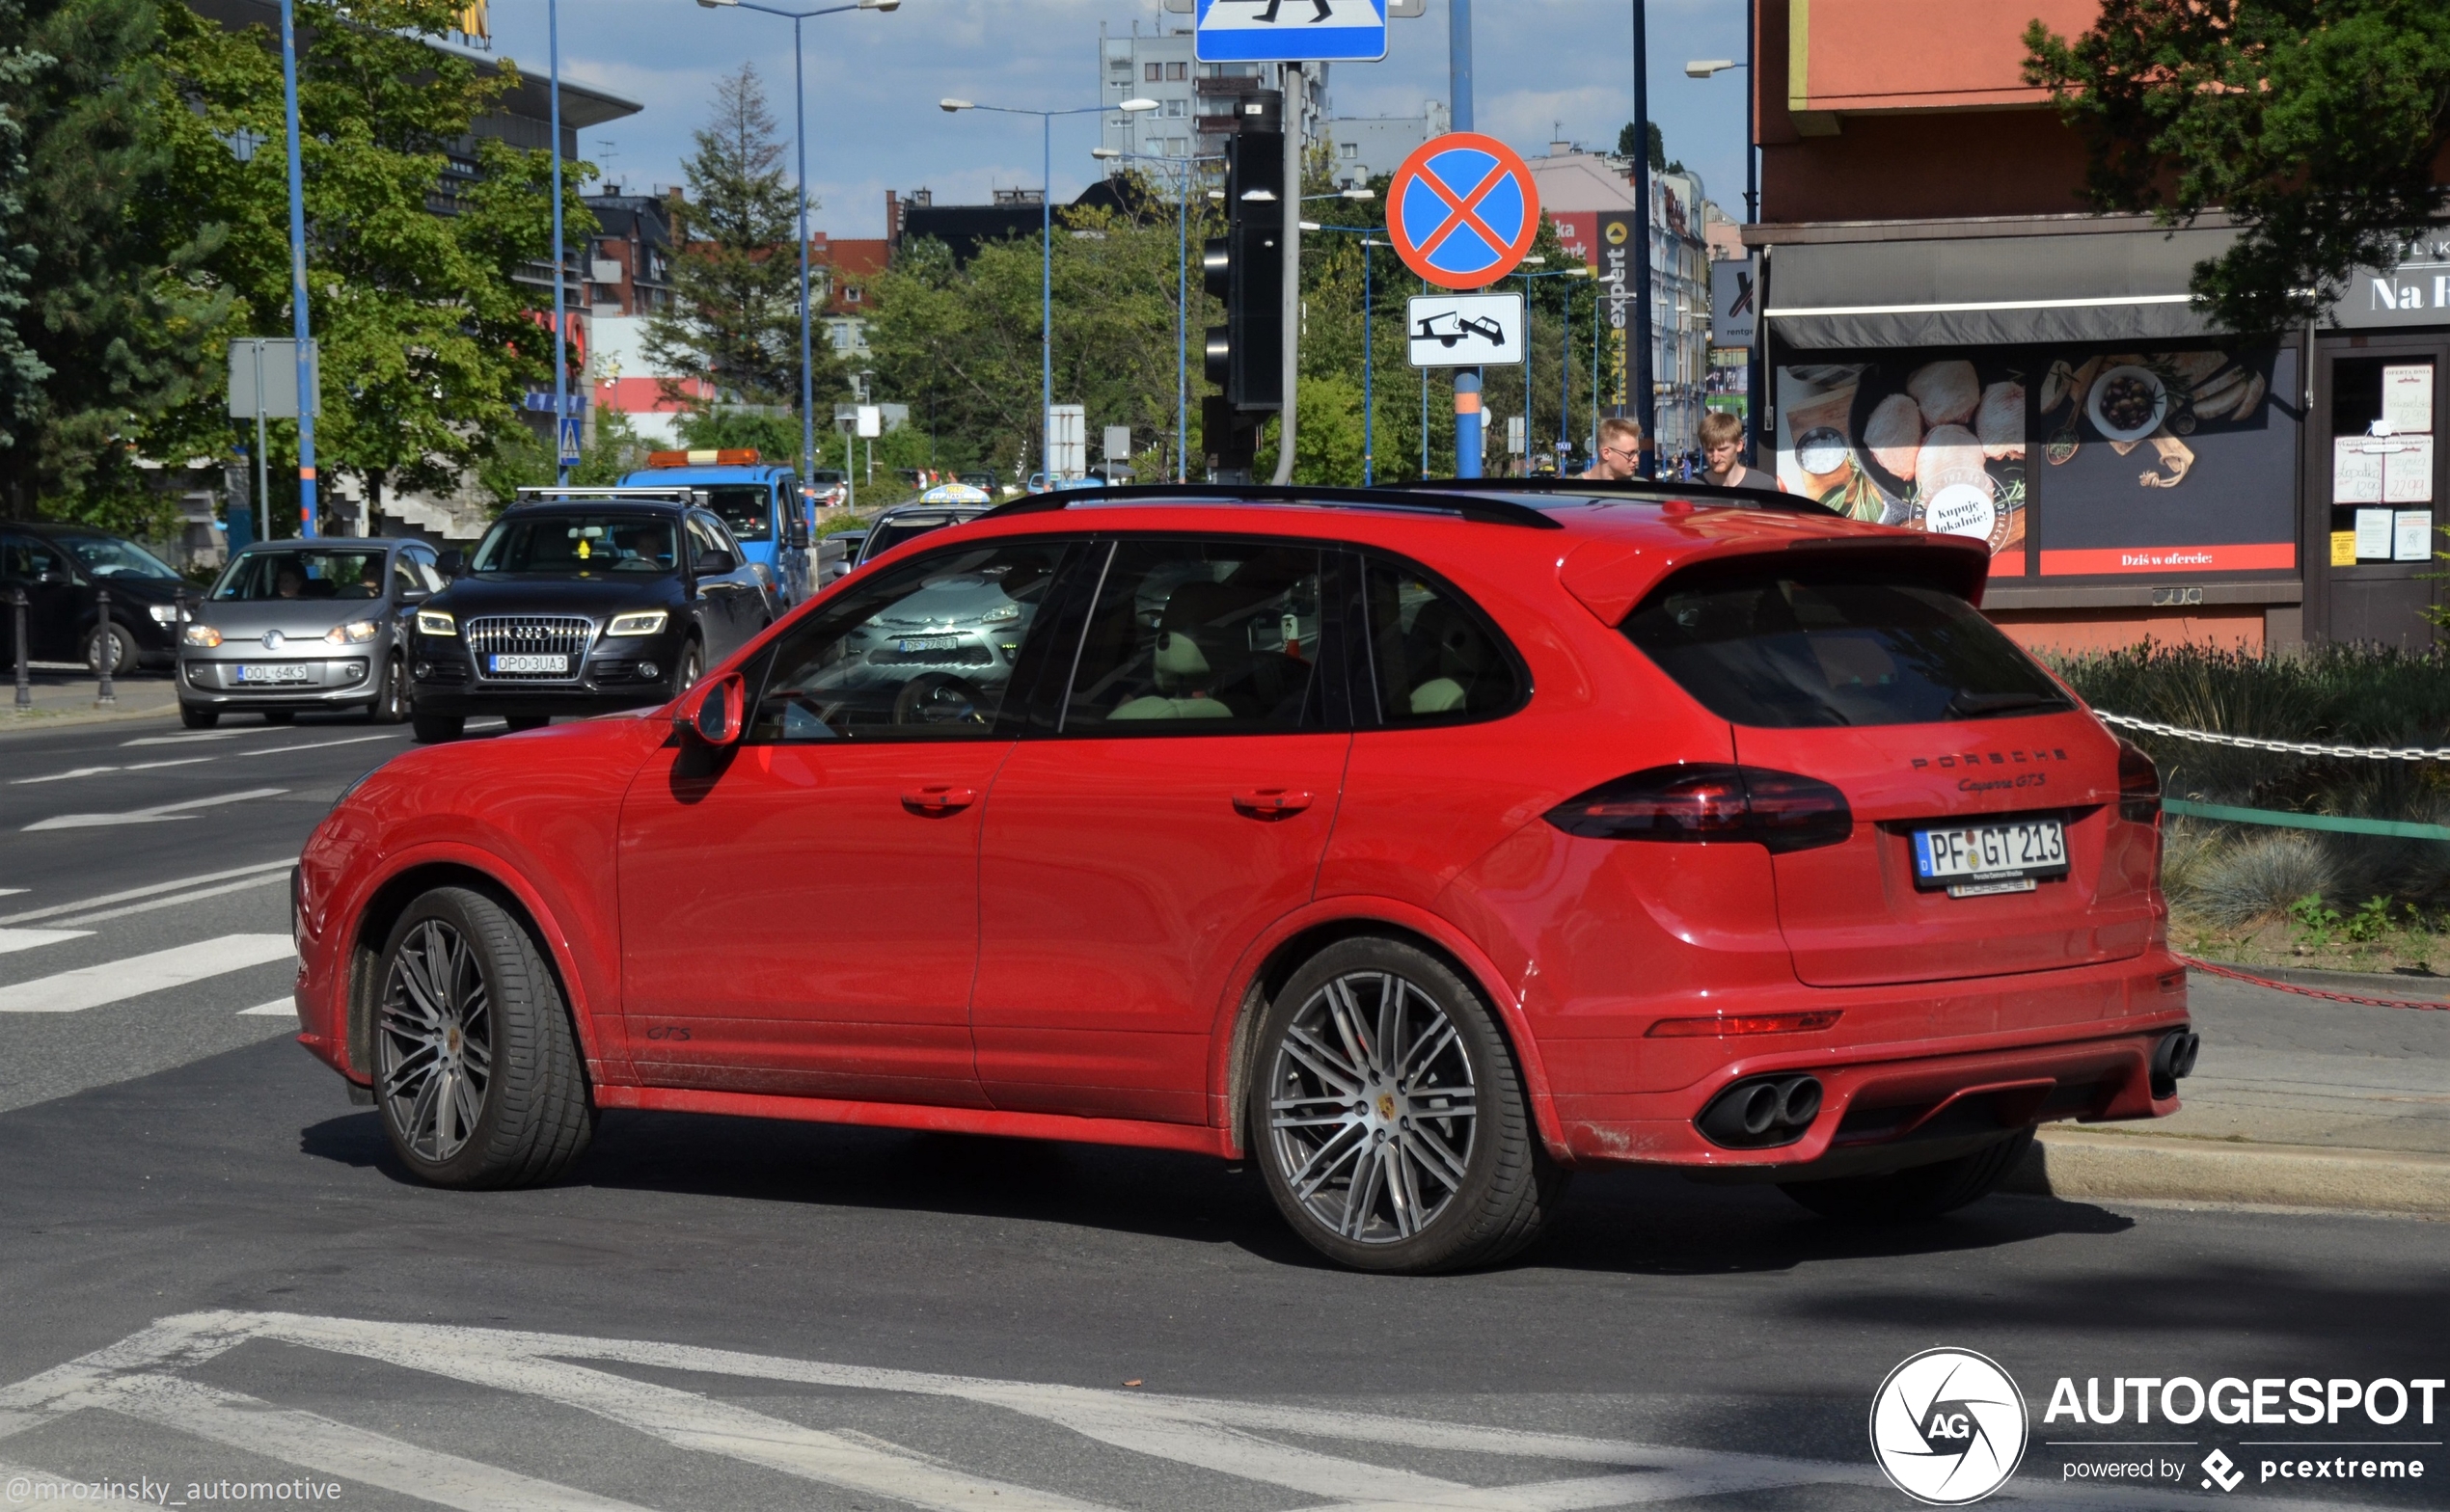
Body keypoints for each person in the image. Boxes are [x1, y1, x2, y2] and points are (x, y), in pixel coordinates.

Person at [1699, 410, 1783, 491]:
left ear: (1739, 445)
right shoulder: (1692, 491)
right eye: (1710, 450)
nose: (1715, 458)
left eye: (1722, 450)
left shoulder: (1764, 486)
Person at [1580, 416, 1645, 481]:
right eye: (1630, 453)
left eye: (1636, 452)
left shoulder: (1643, 488)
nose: (1636, 460)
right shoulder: (1574, 489)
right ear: (1606, 453)